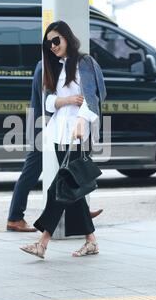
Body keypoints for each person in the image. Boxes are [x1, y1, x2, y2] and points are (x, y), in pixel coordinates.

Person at [19, 20, 106, 257]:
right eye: (49, 44)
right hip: (59, 134)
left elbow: (96, 96)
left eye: (56, 40)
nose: (53, 46)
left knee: (60, 187)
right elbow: (48, 102)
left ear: (67, 37)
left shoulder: (85, 63)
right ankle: (91, 241)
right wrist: (67, 101)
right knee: (72, 188)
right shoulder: (54, 66)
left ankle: (42, 242)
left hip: (78, 134)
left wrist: (82, 120)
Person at [6, 57, 103, 232]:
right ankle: (15, 217)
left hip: (43, 123)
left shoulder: (45, 66)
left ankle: (82, 213)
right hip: (43, 125)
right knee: (35, 170)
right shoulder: (45, 67)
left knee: (68, 171)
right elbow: (46, 101)